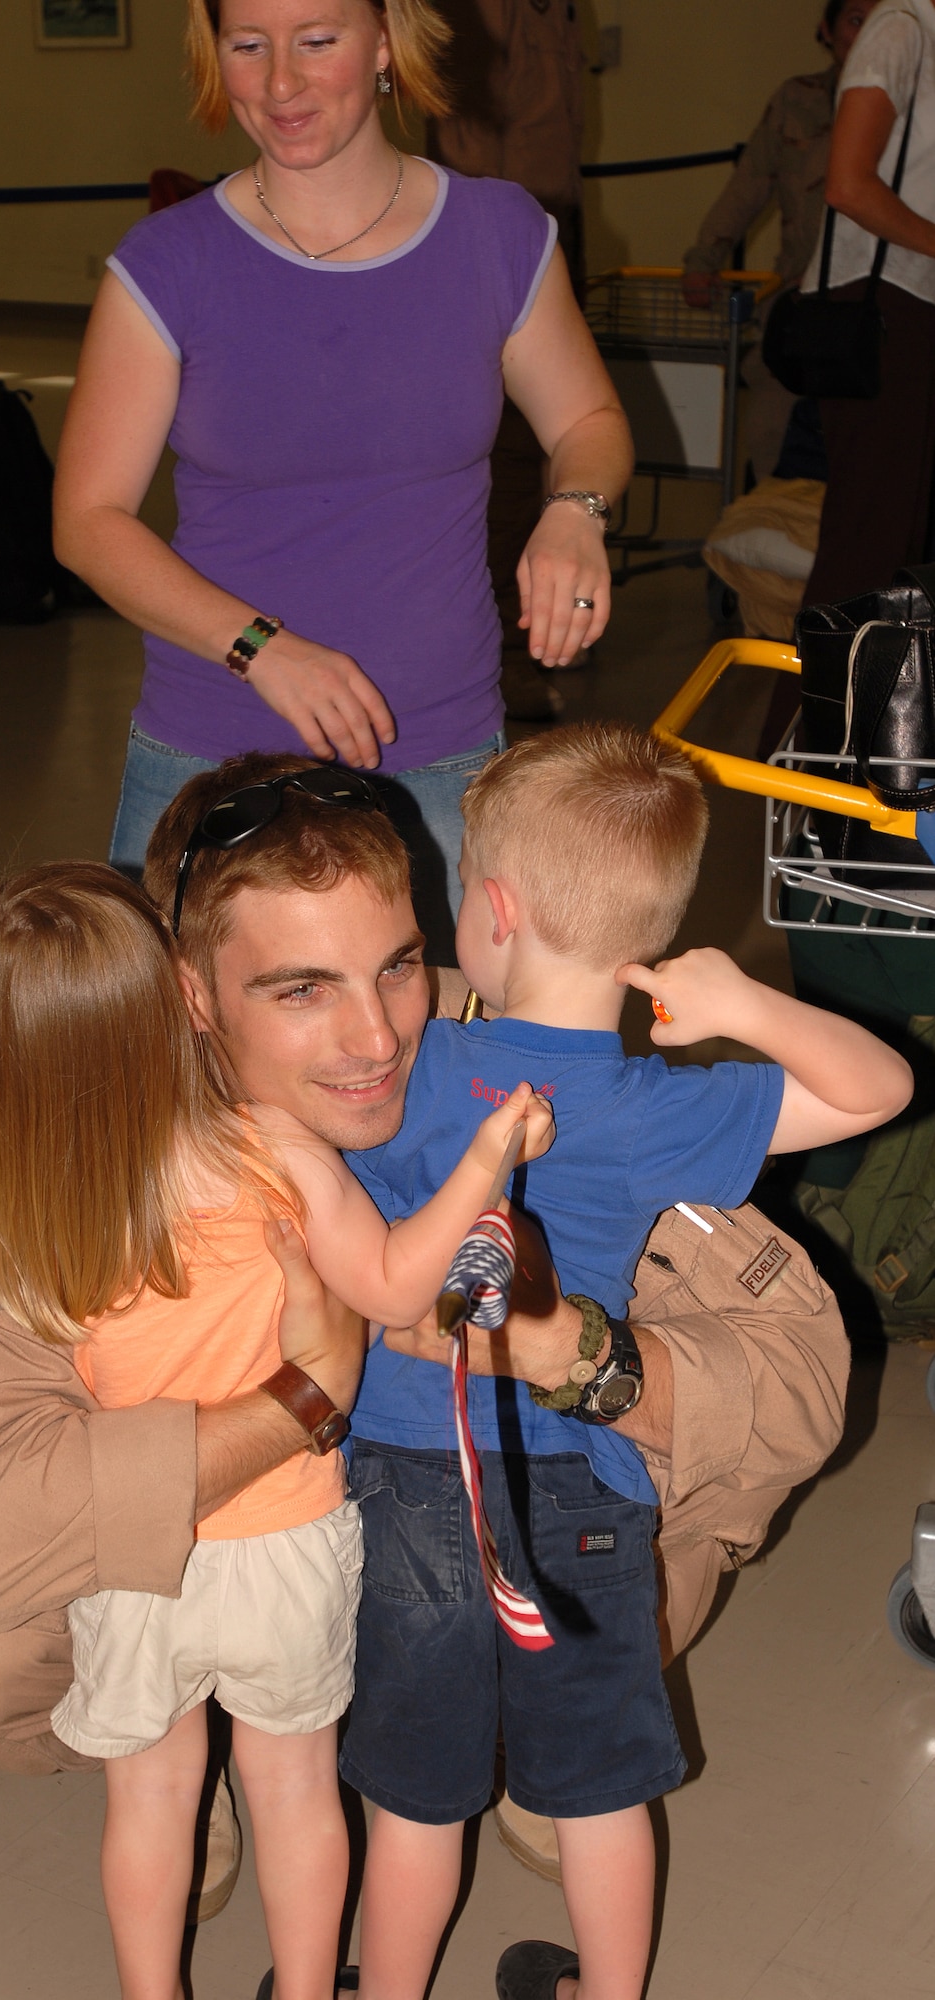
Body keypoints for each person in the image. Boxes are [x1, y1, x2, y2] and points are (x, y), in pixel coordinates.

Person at [0, 757, 850, 1968]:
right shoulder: (119, 1164)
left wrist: (562, 1347)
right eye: (300, 989)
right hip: (250, 1557)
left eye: (397, 963)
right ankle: (221, 1748)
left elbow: (798, 1387)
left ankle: (536, 1735)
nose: (375, 1035)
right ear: (190, 996)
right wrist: (297, 1400)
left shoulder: (508, 1064)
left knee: (653, 1507)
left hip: (485, 1535)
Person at [332, 724, 909, 2000]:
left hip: (409, 1482)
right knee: (599, 1792)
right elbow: (875, 1087)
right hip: (586, 1492)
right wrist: (742, 1005)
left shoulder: (408, 1066)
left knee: (415, 1809)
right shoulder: (661, 1108)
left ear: (490, 911)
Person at [52, 0, 631, 958]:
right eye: (248, 46)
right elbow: (88, 519)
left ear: (387, 44)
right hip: (214, 752)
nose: (280, 83)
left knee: (431, 1074)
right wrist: (261, 648)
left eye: (316, 40)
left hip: (436, 750)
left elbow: (588, 421)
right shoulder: (168, 264)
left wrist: (576, 513)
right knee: (183, 1082)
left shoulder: (497, 234)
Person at [428, 0, 588, 720]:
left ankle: (525, 629)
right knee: (487, 452)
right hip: (480, 238)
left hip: (545, 228)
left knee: (537, 449)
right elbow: (457, 122)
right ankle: (493, 652)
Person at [681, 0, 879, 481]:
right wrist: (704, 259)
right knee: (772, 438)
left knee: (873, 457)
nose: (869, 31)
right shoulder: (798, 100)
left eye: (881, 19)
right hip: (801, 308)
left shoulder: (919, 104)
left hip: (884, 312)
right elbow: (748, 186)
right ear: (826, 30)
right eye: (856, 19)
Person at [801, 0, 935, 604]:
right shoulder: (902, 26)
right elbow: (848, 184)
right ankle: (813, 702)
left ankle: (872, 698)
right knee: (869, 548)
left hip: (914, 305)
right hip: (886, 308)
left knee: (896, 546)